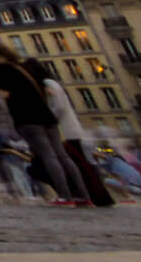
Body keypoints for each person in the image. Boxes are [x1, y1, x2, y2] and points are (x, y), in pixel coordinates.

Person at [0, 42, 89, 205]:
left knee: (48, 156)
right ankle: (83, 196)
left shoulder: (2, 70)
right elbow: (50, 87)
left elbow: (4, 95)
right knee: (62, 155)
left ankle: (65, 196)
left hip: (27, 118)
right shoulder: (31, 64)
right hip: (47, 116)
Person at [42, 77, 112, 206]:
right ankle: (94, 197)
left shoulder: (48, 84)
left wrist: (48, 119)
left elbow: (59, 107)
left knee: (80, 166)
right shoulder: (52, 85)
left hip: (67, 132)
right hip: (70, 131)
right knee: (82, 165)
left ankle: (92, 197)